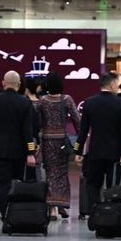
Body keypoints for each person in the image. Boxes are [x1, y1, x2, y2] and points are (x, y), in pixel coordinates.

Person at [75, 72, 121, 215]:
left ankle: (95, 213)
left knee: (93, 184)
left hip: (96, 151)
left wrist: (78, 151)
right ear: (112, 84)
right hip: (115, 152)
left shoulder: (89, 102)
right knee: (113, 185)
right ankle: (112, 214)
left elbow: (83, 131)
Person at [0, 70, 36, 215]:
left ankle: (4, 213)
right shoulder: (25, 102)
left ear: (3, 83)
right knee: (16, 182)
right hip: (19, 151)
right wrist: (30, 152)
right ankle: (15, 213)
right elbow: (27, 131)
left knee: (2, 183)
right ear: (19, 84)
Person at [35, 72, 80, 220]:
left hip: (47, 140)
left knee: (50, 173)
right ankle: (62, 205)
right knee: (61, 173)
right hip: (62, 141)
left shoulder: (42, 101)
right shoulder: (67, 99)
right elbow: (76, 119)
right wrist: (82, 138)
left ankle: (52, 208)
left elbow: (36, 121)